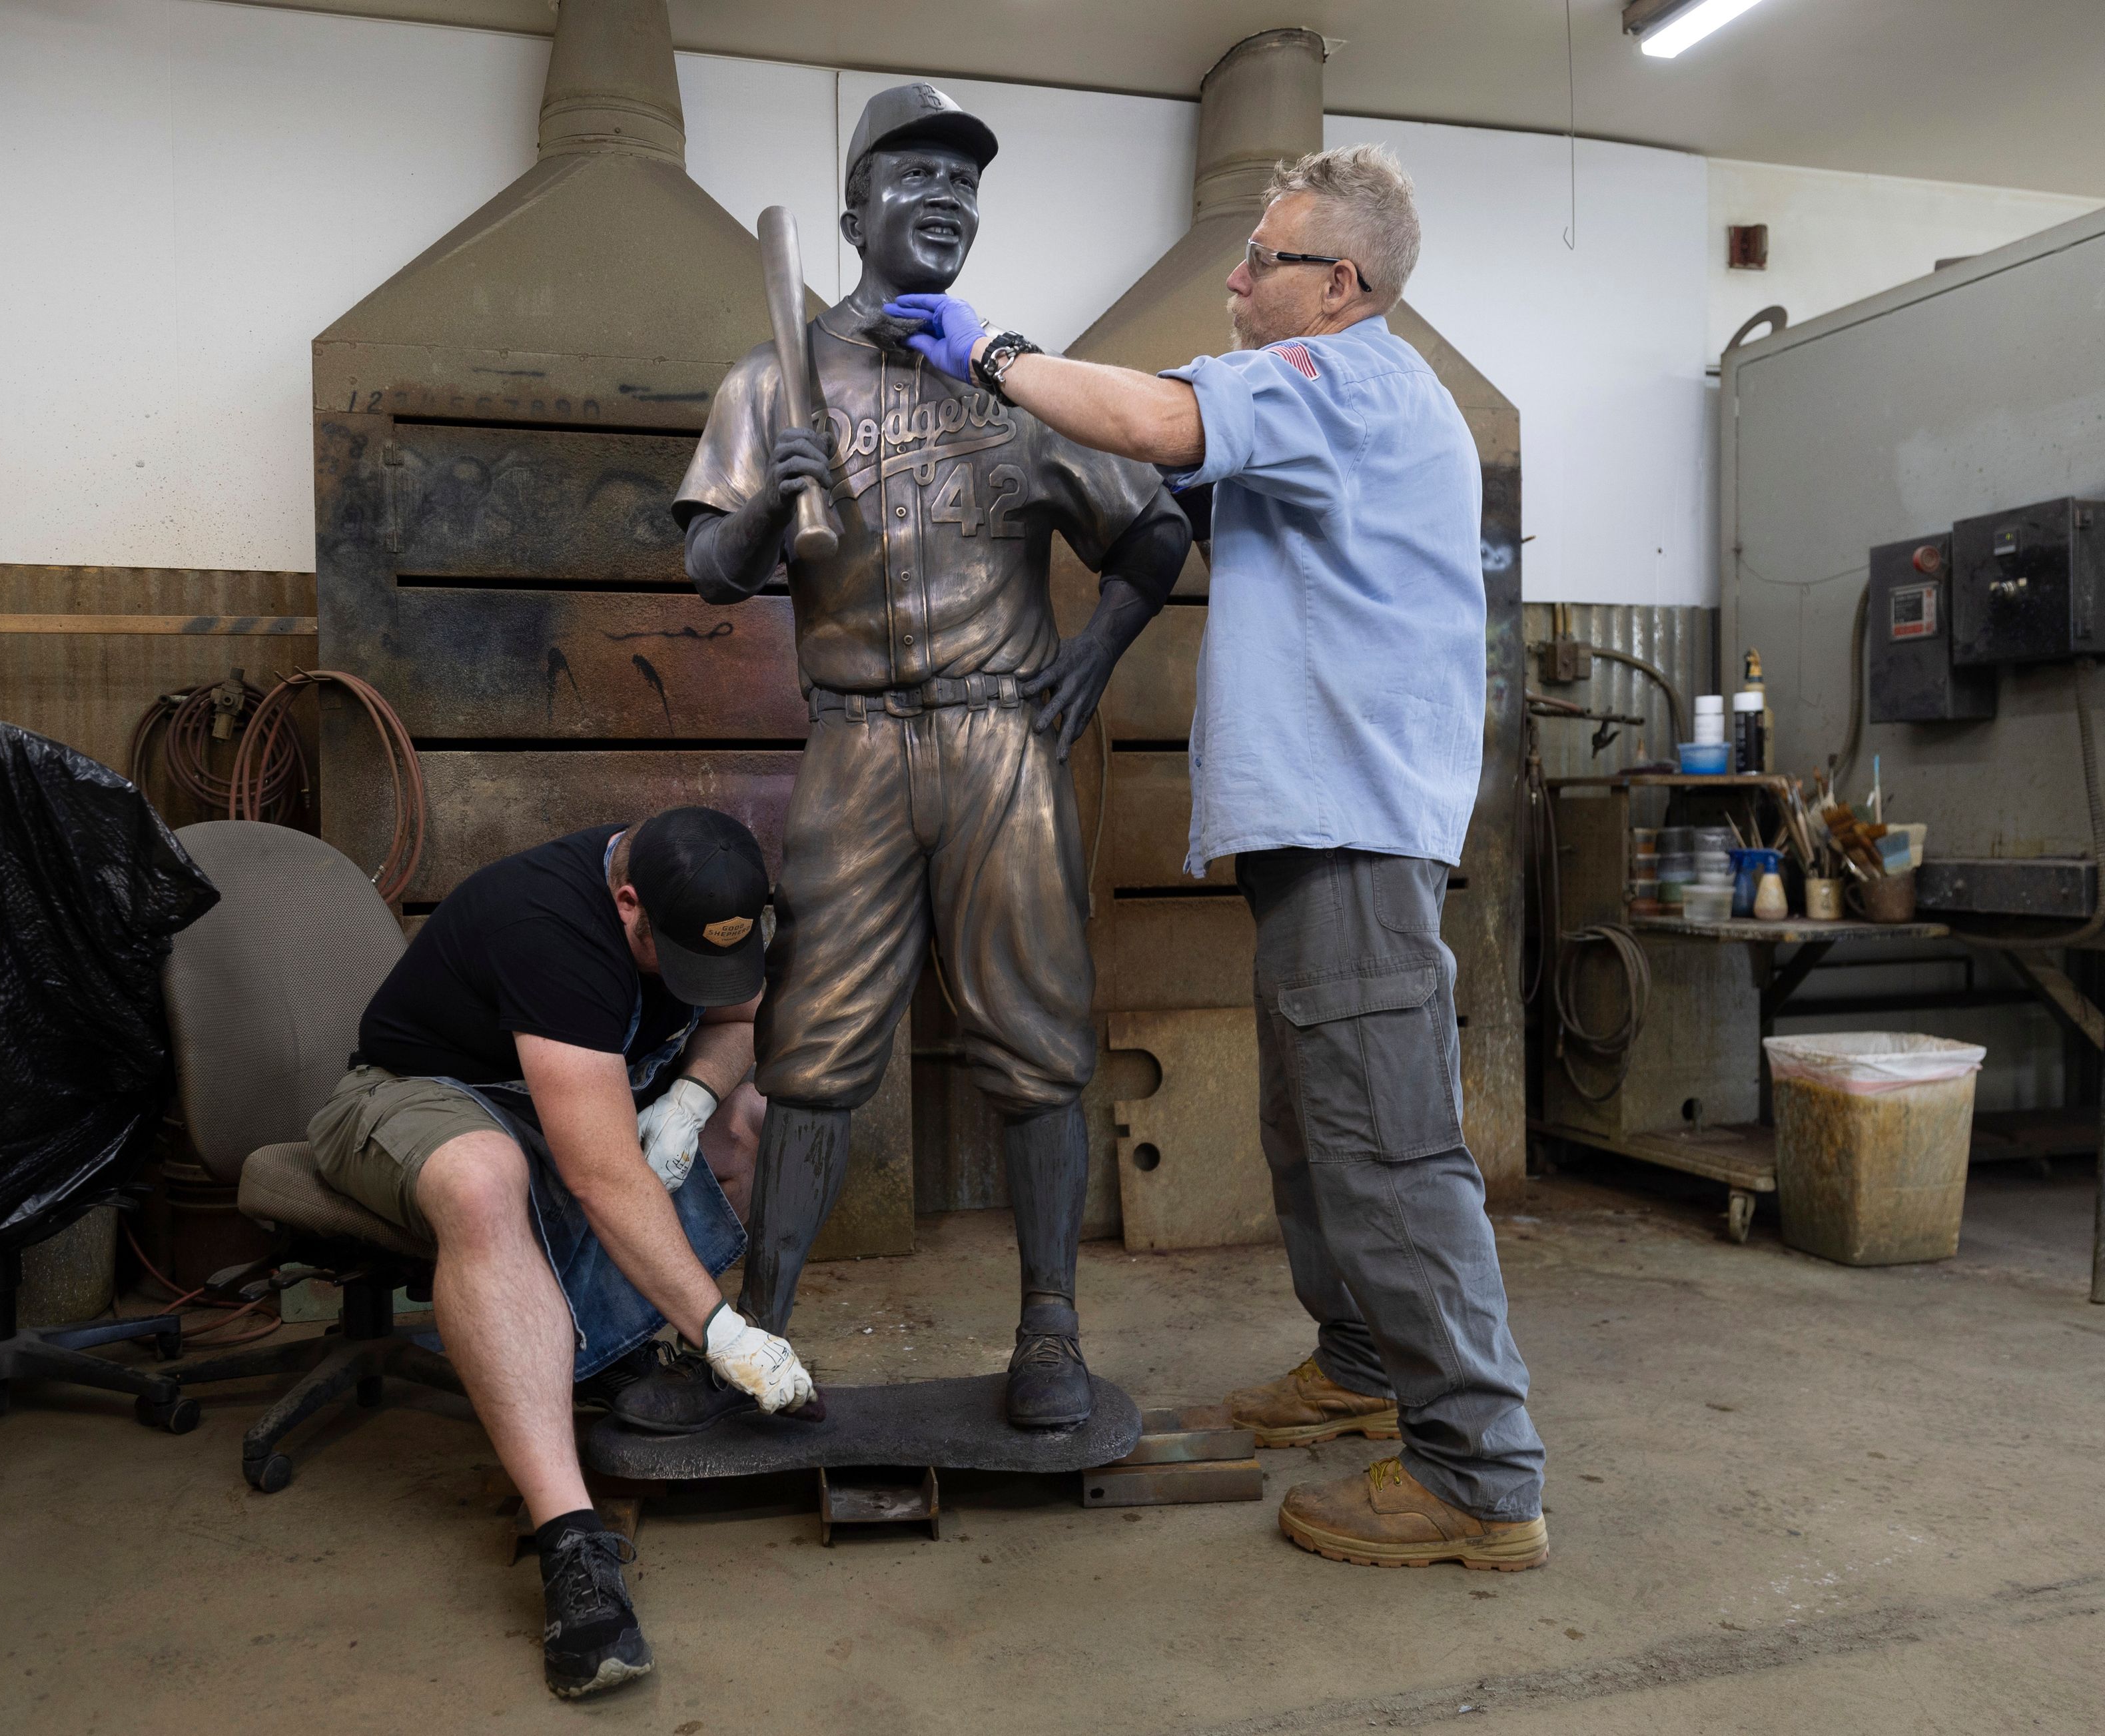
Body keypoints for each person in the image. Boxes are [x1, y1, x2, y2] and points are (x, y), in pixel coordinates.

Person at [886, 143, 1547, 1571]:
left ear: (1342, 284)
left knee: (1387, 1144)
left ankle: (1481, 1474)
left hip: (1356, 829)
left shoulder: (1346, 382)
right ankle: (1365, 1365)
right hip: (1318, 831)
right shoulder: (1316, 393)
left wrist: (990, 349)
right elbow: (1167, 477)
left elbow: (1149, 419)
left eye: (1265, 260)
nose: (1238, 279)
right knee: (1314, 1129)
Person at [613, 82, 1191, 1437]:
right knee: (811, 1045)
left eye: (965, 181)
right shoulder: (776, 377)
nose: (946, 198)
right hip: (860, 743)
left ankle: (1049, 1322)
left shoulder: (1016, 379)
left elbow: (1154, 533)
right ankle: (756, 1330)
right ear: (857, 207)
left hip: (1001, 736)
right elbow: (706, 568)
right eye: (915, 173)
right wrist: (770, 500)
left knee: (1038, 1035)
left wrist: (1090, 662)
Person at [308, 807, 820, 1697]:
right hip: (416, 1095)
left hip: (563, 1098)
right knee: (482, 1177)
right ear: (629, 905)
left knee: (754, 1115)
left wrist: (694, 1099)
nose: (696, 980)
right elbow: (597, 1175)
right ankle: (571, 1542)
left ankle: (604, 1354)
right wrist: (722, 1329)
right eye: (678, 961)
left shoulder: (705, 896)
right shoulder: (549, 925)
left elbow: (739, 1016)